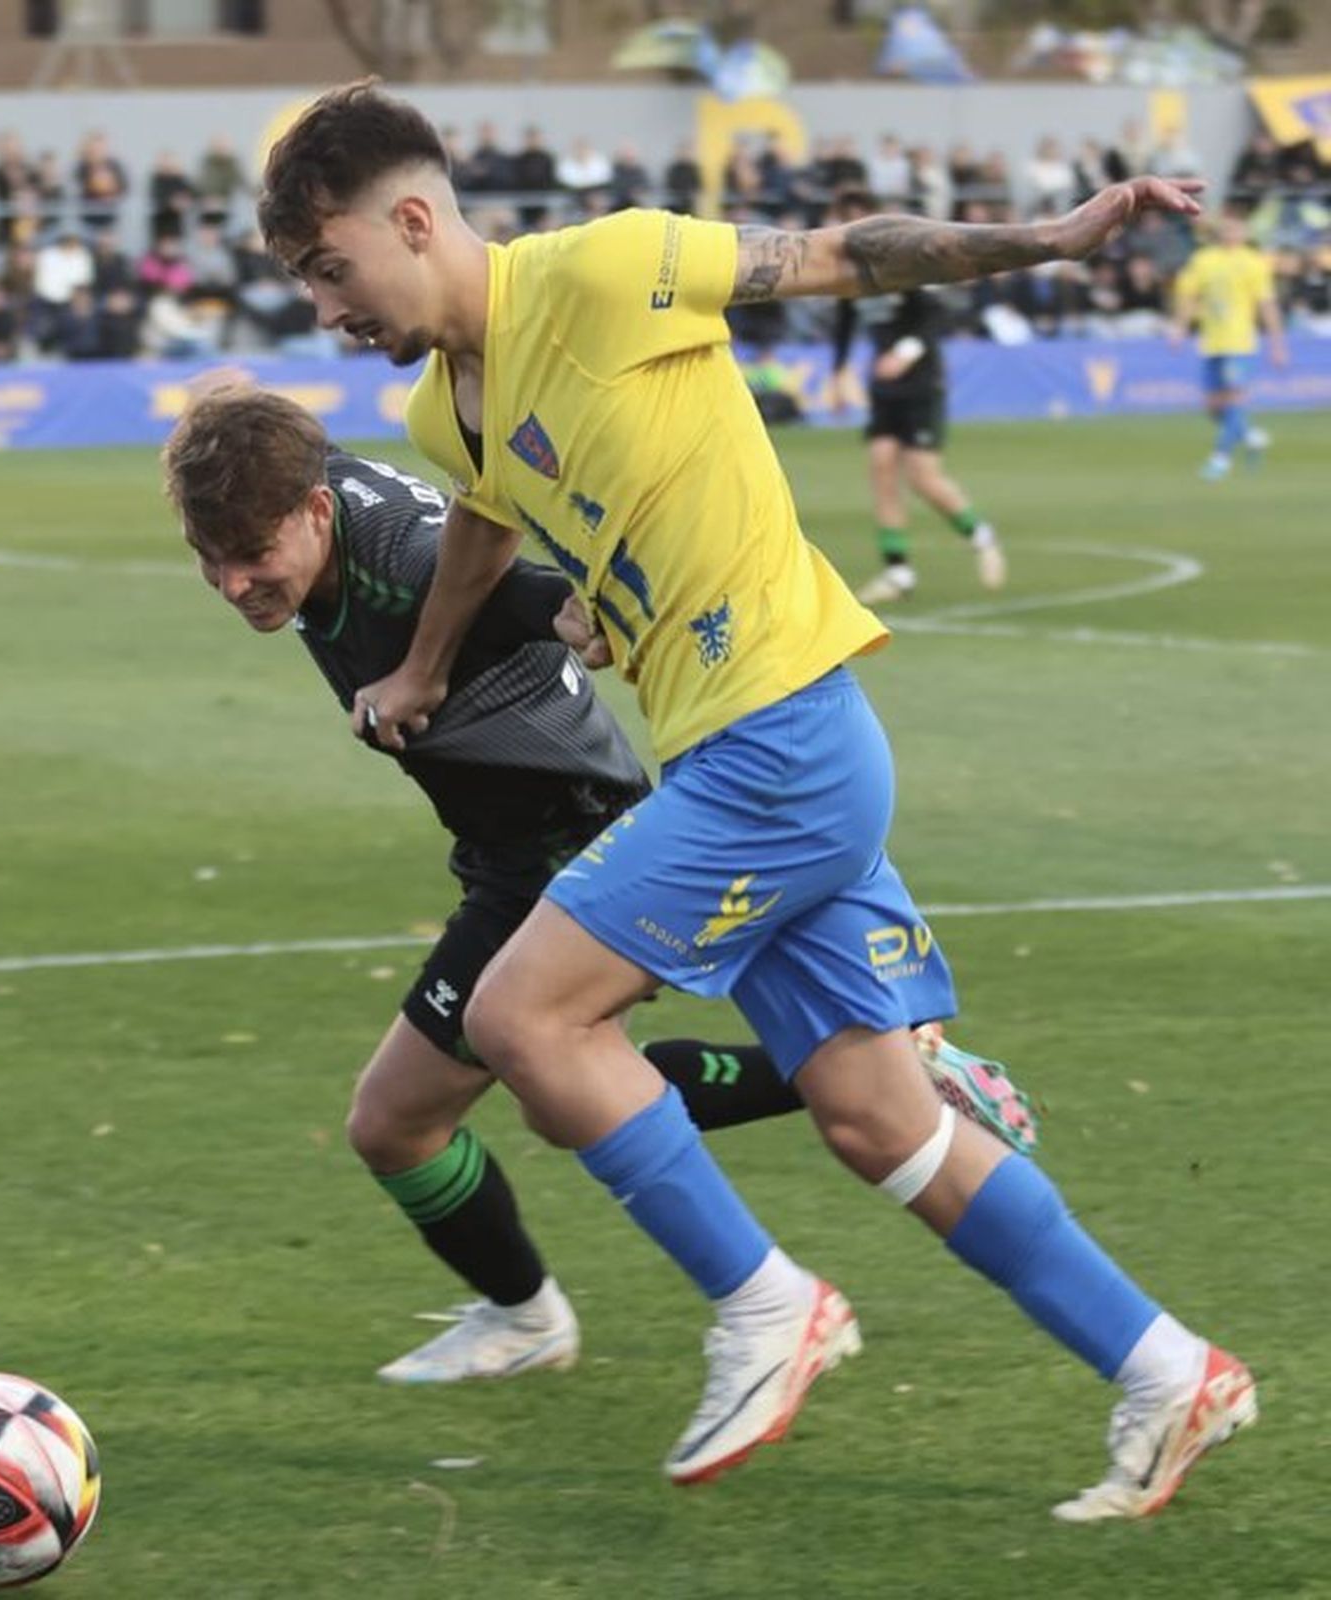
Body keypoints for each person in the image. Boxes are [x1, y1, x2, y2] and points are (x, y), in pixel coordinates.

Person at [257, 82, 1257, 1518]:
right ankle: (1169, 1373)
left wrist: (1052, 235)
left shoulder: (609, 269)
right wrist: (425, 670)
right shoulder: (441, 405)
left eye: (332, 269)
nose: (327, 310)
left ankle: (765, 1307)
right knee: (871, 1116)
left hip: (779, 736)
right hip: (745, 749)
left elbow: (848, 253)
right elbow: (485, 516)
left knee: (524, 1017)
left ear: (413, 220)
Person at [161, 383, 1038, 1385]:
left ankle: (560, 1313)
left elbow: (510, 587)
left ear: (314, 512)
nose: (233, 584)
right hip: (510, 843)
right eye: (210, 563)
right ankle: (867, 1074)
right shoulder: (299, 489)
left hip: (559, 838)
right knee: (552, 1092)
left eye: (252, 558)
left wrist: (578, 611)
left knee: (399, 1120)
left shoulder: (398, 554)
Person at [831, 196, 1006, 603]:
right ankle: (898, 573)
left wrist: (904, 352)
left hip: (921, 383)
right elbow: (843, 327)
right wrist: (838, 375)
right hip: (884, 387)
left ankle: (982, 536)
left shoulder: (900, 266)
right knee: (881, 468)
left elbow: (933, 316)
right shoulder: (846, 278)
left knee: (923, 478)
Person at [1169, 209, 1288, 481]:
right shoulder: (1203, 260)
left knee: (1234, 400)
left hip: (1240, 343)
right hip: (1212, 343)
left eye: (1237, 229)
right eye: (1227, 228)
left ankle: (1219, 459)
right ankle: (1250, 436)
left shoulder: (1254, 262)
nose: (1232, 233)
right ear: (1219, 231)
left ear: (1245, 233)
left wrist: (1277, 344)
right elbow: (1188, 296)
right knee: (1213, 407)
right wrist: (1179, 329)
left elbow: (1266, 305)